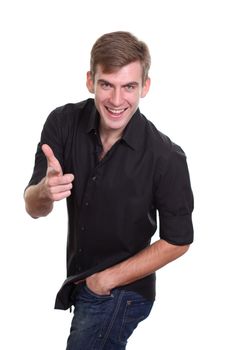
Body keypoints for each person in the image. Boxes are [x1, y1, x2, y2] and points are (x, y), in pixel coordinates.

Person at [24, 31, 194, 350]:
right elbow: (34, 207)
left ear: (145, 86)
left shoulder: (166, 157)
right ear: (91, 81)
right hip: (81, 282)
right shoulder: (62, 123)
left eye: (128, 86)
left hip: (124, 292)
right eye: (107, 85)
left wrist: (106, 280)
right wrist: (45, 191)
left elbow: (179, 239)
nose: (117, 101)